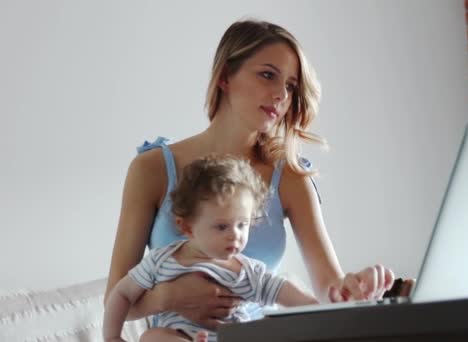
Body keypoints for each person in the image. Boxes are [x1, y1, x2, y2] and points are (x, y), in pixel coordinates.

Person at [104, 18, 396, 333]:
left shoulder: (290, 178)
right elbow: (116, 299)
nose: (281, 94)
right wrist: (168, 297)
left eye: (290, 85)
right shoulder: (153, 169)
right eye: (268, 75)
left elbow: (328, 291)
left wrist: (355, 290)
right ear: (225, 76)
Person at [103, 156, 318, 342]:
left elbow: (289, 294)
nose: (235, 234)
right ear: (187, 226)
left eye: (242, 224)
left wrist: (318, 309)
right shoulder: (162, 260)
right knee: (151, 337)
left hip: (233, 338)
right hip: (179, 336)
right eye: (222, 226)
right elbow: (121, 294)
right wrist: (112, 336)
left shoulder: (248, 271)